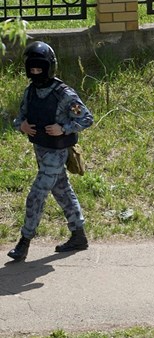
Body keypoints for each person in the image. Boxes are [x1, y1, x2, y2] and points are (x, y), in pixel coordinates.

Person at [7, 41, 94, 262]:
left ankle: (24, 242)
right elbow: (20, 117)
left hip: (57, 153)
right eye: (32, 69)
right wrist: (22, 126)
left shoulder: (64, 94)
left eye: (40, 68)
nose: (36, 73)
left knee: (36, 196)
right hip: (40, 151)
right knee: (62, 191)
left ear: (49, 67)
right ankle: (79, 235)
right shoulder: (30, 92)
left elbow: (86, 118)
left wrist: (63, 128)